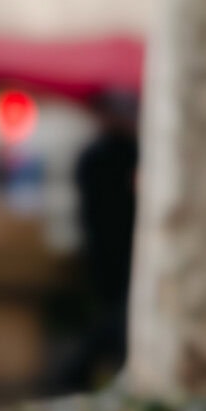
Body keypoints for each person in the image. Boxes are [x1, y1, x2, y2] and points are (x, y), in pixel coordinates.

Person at [74, 92, 138, 384]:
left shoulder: (103, 154)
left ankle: (82, 372)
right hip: (113, 250)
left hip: (110, 250)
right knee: (114, 317)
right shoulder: (107, 155)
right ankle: (76, 372)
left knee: (114, 316)